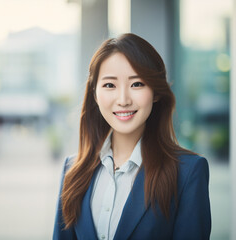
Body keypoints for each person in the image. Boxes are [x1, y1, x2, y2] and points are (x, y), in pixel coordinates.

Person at [53, 33, 211, 240]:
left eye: (137, 84)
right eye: (110, 85)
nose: (123, 100)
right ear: (95, 94)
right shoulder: (73, 170)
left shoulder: (188, 172)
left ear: (155, 92)